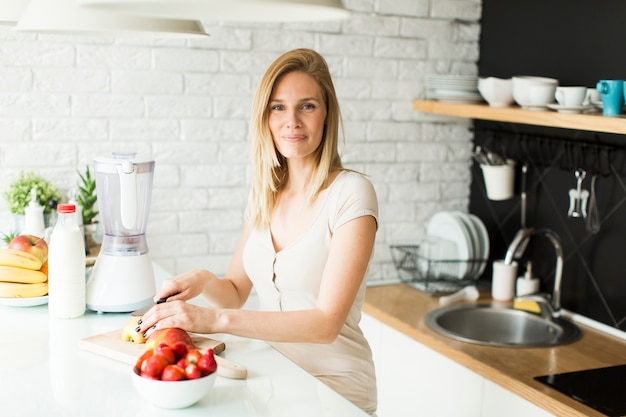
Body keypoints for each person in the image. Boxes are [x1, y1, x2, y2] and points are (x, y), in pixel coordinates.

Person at [137, 48, 378, 414]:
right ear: (265, 117)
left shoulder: (351, 194)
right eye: (278, 107)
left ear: (326, 114)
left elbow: (325, 325)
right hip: (273, 378)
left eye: (307, 106)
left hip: (335, 388)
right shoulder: (266, 193)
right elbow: (233, 293)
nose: (291, 121)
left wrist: (213, 321)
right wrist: (203, 279)